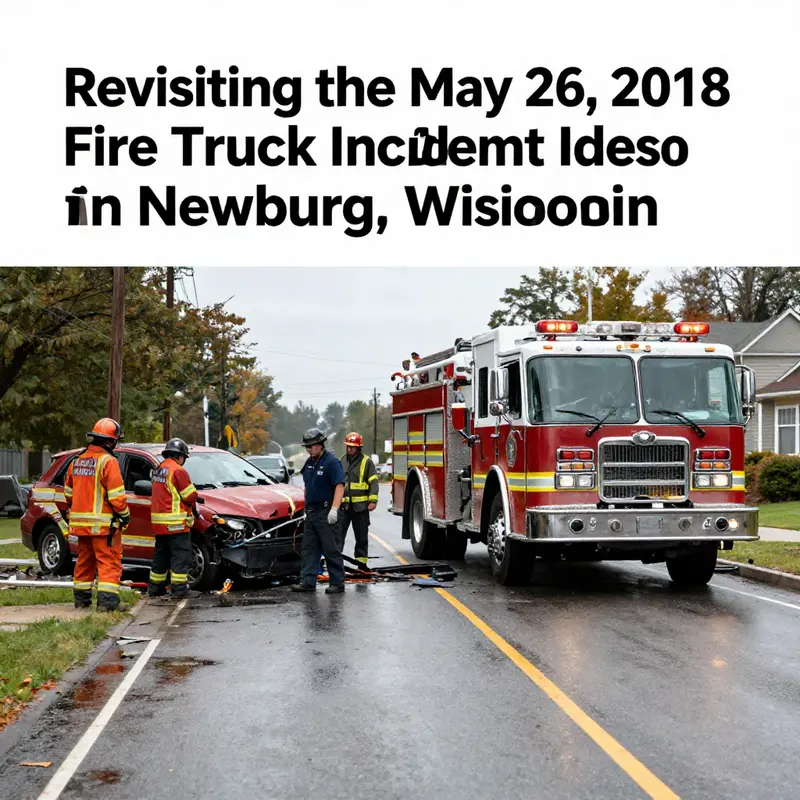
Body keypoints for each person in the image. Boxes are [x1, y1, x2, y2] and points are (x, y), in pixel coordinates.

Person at [64, 417, 131, 612]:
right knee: (108, 561)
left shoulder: (76, 461)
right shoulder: (108, 462)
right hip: (103, 526)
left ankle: (81, 600)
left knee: (84, 561)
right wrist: (125, 516)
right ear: (111, 441)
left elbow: (68, 493)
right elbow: (117, 496)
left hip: (80, 525)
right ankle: (108, 604)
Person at [292, 428, 346, 594]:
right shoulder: (309, 463)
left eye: (312, 446)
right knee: (309, 548)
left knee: (330, 548)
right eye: (307, 446)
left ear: (320, 445)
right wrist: (306, 508)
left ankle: (337, 582)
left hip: (326, 510)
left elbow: (339, 486)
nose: (309, 449)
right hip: (312, 511)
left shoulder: (332, 462)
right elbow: (308, 486)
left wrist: (334, 509)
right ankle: (308, 581)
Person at [148, 438, 198, 600]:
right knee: (180, 558)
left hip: (159, 525)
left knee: (160, 558)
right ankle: (179, 590)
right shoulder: (178, 471)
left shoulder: (158, 469)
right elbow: (189, 496)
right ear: (180, 456)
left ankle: (155, 588)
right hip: (176, 525)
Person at [339, 432, 379, 569]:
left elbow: (374, 482)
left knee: (361, 538)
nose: (349, 449)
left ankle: (361, 565)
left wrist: (373, 500)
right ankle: (336, 564)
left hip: (361, 507)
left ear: (359, 448)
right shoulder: (342, 461)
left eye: (352, 447)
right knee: (338, 537)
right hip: (344, 507)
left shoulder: (366, 462)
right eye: (348, 446)